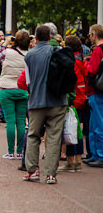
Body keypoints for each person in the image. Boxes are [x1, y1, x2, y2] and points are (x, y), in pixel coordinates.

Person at [22, 25, 68, 184]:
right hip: (58, 101)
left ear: (36, 37)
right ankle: (50, 174)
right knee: (54, 138)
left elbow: (28, 81)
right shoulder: (58, 52)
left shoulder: (30, 55)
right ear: (50, 37)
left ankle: (33, 170)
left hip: (36, 101)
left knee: (33, 135)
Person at [0, 31, 29, 157]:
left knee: (10, 121)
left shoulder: (7, 52)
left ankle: (10, 152)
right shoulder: (29, 54)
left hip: (7, 87)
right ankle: (20, 152)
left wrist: (5, 43)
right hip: (23, 88)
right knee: (21, 121)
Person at [58, 35, 87, 173]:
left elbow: (71, 81)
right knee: (78, 131)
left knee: (70, 129)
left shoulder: (71, 61)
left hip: (74, 99)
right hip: (82, 97)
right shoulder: (81, 59)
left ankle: (72, 162)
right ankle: (78, 161)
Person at [85, 24, 103, 167]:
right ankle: (95, 154)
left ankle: (99, 155)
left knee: (97, 124)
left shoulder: (98, 50)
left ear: (94, 35)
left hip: (95, 90)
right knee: (94, 124)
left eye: (90, 35)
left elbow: (92, 70)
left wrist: (86, 64)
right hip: (99, 90)